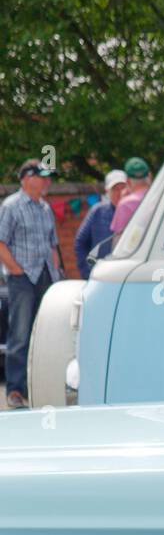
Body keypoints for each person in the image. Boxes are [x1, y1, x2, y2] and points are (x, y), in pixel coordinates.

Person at [0, 159, 61, 409]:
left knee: (43, 334)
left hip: (45, 276)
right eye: (42, 177)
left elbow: (53, 244)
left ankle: (37, 387)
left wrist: (56, 272)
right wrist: (16, 270)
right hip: (23, 278)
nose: (47, 182)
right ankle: (15, 389)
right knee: (20, 333)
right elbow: (1, 242)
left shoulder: (45, 208)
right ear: (27, 178)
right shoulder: (11, 206)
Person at [74, 169, 127, 278]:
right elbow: (80, 242)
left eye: (123, 188)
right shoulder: (98, 211)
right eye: (115, 189)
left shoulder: (136, 211)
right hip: (101, 276)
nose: (120, 192)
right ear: (107, 191)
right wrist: (86, 271)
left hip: (127, 274)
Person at [109, 156, 151, 239]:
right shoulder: (163, 196)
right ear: (149, 176)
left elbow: (118, 238)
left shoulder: (125, 204)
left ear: (127, 181)